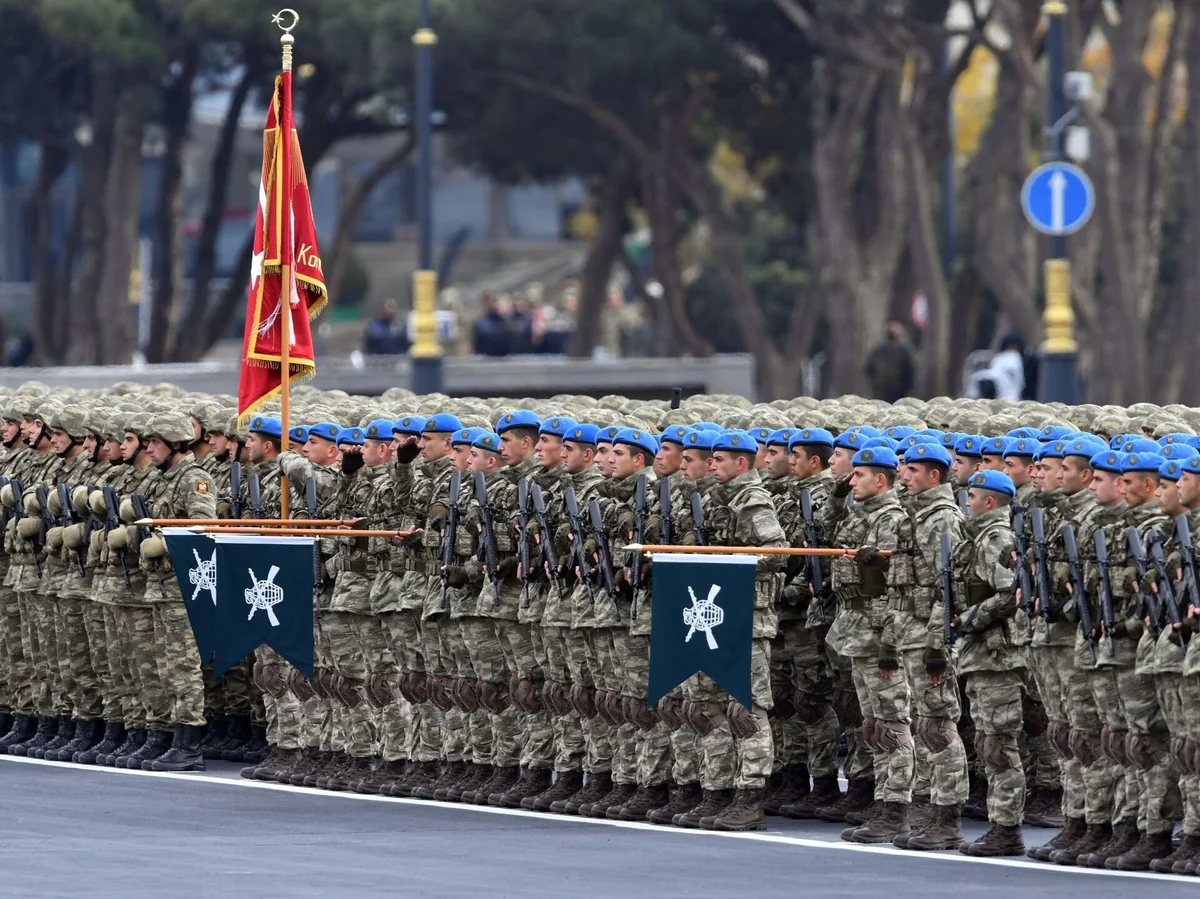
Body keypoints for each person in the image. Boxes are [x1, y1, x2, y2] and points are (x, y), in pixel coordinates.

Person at [866, 322, 916, 403]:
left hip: (900, 391)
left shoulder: (904, 351)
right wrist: (875, 384)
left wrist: (908, 388)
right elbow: (869, 368)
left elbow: (910, 371)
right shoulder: (879, 350)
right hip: (882, 391)